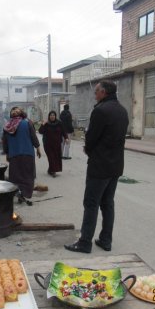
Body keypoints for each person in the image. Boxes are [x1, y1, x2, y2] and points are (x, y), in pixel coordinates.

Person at [65, 80, 129, 254]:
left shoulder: (100, 110)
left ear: (104, 92)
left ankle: (85, 242)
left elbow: (91, 138)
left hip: (100, 166)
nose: (95, 94)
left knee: (91, 203)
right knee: (107, 203)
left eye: (97, 91)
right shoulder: (122, 110)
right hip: (115, 165)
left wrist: (88, 149)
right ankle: (106, 240)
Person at [2, 107, 42, 204]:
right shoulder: (8, 126)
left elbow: (33, 136)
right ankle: (22, 193)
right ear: (11, 114)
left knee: (20, 175)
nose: (15, 111)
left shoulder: (23, 123)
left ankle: (21, 193)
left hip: (19, 154)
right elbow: (5, 141)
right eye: (13, 110)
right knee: (23, 175)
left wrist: (38, 148)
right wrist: (7, 152)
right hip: (23, 154)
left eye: (17, 109)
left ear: (21, 113)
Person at [38, 111, 68, 177]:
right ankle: (52, 171)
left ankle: (50, 170)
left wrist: (66, 138)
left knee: (56, 158)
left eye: (53, 115)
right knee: (51, 157)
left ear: (55, 116)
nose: (52, 116)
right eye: (51, 115)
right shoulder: (46, 123)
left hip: (57, 144)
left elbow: (63, 131)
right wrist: (42, 124)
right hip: (48, 144)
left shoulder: (59, 123)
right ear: (49, 116)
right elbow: (40, 131)